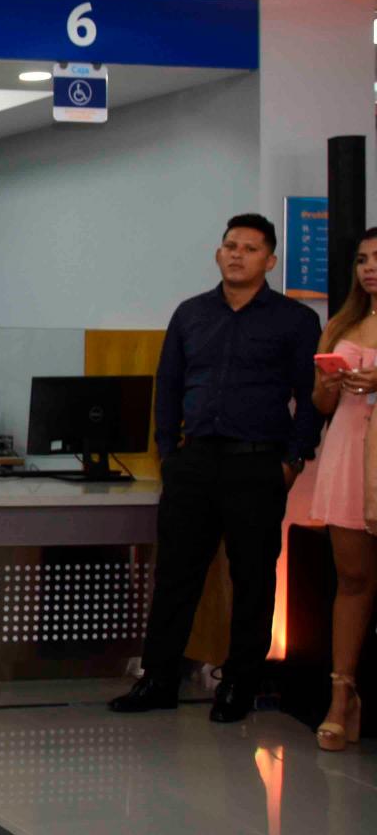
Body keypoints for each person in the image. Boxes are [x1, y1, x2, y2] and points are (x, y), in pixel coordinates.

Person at [110, 214, 321, 724]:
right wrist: (168, 450)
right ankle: (159, 680)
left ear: (269, 261)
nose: (237, 254)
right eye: (230, 245)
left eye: (250, 249)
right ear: (217, 253)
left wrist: (294, 460)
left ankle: (239, 686)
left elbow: (310, 398)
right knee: (175, 576)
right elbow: (170, 386)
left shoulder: (295, 321)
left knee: (252, 580)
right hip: (195, 462)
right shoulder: (191, 314)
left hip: (257, 465)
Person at [309, 228, 377, 751]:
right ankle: (341, 698)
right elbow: (321, 407)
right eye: (362, 259)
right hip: (348, 453)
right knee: (352, 577)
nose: (369, 267)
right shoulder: (341, 324)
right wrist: (328, 386)